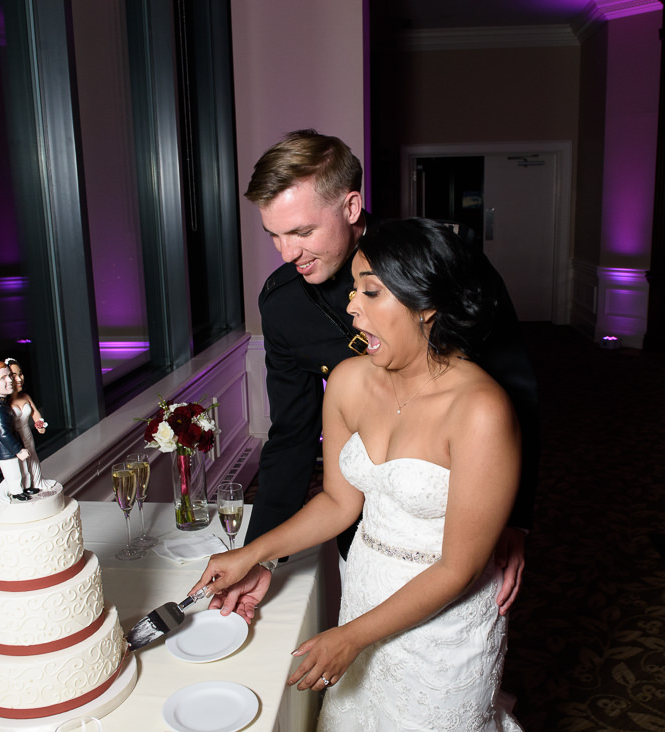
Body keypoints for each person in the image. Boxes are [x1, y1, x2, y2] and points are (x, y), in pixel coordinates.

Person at [192, 219, 572, 732]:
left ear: (427, 306)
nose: (351, 309)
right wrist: (252, 552)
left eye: (369, 292)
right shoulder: (347, 381)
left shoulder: (482, 411)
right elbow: (341, 503)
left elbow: (459, 568)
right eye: (353, 291)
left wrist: (350, 638)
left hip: (447, 623)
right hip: (366, 582)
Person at [221, 129, 540, 621]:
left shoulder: (442, 263)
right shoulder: (283, 303)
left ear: (351, 207)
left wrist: (516, 521)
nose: (286, 254)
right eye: (274, 235)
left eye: (303, 232)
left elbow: (516, 395)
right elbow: (291, 436)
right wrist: (262, 552)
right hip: (362, 518)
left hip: (458, 512)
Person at [0, 361, 31, 502]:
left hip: (12, 446)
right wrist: (18, 451)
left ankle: (25, 488)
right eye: (3, 378)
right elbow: (4, 434)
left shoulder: (0, 405)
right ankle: (17, 492)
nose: (10, 380)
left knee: (24, 470)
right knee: (13, 473)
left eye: (9, 376)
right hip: (6, 449)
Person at [4, 357, 46, 493]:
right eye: (13, 376)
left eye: (20, 374)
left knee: (33, 458)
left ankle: (37, 483)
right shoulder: (4, 403)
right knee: (20, 464)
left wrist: (40, 424)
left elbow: (35, 414)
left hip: (27, 434)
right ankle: (24, 488)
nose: (19, 379)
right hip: (16, 438)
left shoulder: (25, 396)